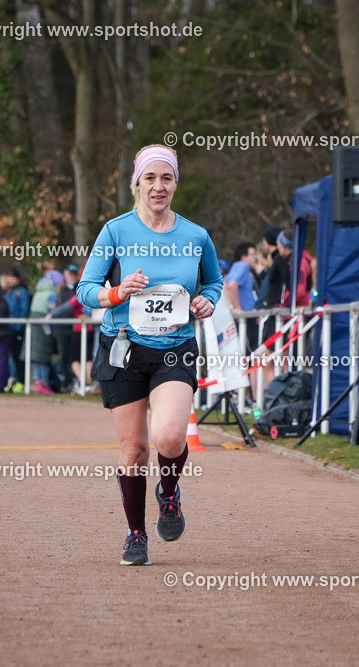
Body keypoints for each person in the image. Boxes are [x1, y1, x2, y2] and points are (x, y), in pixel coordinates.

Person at [77, 144, 222, 566]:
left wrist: (206, 302)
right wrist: (118, 292)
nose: (158, 187)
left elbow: (212, 282)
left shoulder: (196, 236)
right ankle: (135, 533)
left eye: (167, 178)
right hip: (123, 347)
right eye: (150, 179)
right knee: (135, 449)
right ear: (136, 184)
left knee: (171, 437)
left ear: (176, 183)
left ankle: (170, 492)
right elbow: (85, 290)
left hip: (174, 348)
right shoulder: (116, 231)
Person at [29, 268, 62, 394]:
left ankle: (38, 383)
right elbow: (52, 312)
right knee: (44, 356)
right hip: (45, 328)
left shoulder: (38, 292)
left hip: (35, 326)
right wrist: (55, 331)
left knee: (37, 356)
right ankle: (44, 383)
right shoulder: (52, 294)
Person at [1, 268, 31, 393]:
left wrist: (19, 327)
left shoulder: (22, 292)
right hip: (8, 330)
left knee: (18, 357)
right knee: (10, 358)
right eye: (8, 277)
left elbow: (24, 310)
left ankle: (21, 382)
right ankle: (11, 381)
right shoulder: (7, 292)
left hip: (18, 330)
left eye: (12, 277)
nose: (10, 279)